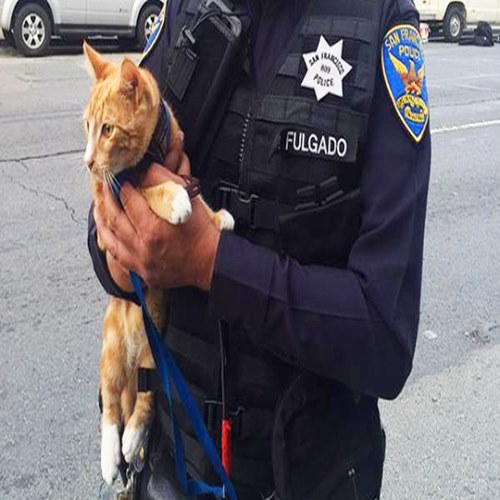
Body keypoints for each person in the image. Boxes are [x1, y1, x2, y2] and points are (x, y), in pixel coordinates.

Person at [89, 0, 431, 498]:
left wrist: (212, 263)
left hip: (308, 476)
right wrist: (124, 255)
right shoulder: (187, 9)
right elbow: (106, 215)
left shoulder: (381, 22)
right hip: (172, 462)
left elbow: (385, 338)